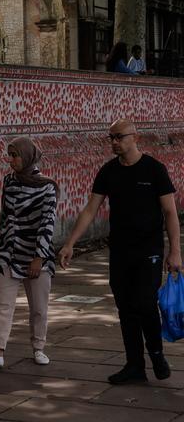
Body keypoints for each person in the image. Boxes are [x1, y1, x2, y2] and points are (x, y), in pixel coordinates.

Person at [58, 119, 182, 384]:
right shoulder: (108, 171)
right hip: (120, 252)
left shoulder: (154, 170)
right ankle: (134, 364)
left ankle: (157, 354)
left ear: (134, 137)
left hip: (149, 250)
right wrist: (70, 243)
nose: (114, 142)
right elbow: (91, 209)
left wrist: (175, 251)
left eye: (119, 137)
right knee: (125, 308)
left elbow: (170, 212)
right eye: (110, 137)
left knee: (145, 303)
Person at [0, 137, 58, 369]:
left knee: (39, 307)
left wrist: (39, 257)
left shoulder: (47, 186)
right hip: (8, 251)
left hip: (36, 254)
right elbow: (5, 215)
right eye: (10, 155)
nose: (11, 160)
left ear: (28, 156)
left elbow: (47, 224)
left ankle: (39, 347)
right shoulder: (9, 181)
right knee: (3, 304)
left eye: (15, 155)